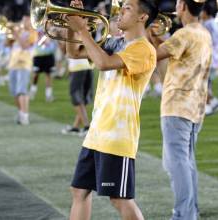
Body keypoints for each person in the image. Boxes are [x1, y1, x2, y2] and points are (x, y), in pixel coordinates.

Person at [65, 0, 158, 219]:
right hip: (97, 132)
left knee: (119, 199)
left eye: (127, 8)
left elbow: (104, 64)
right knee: (79, 191)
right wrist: (72, 23)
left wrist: (82, 30)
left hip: (118, 136)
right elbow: (73, 53)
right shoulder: (114, 42)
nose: (120, 11)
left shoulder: (144, 49)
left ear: (142, 17)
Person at [149, 0, 212, 219]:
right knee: (187, 163)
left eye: (178, 3)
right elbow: (168, 50)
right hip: (195, 107)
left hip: (177, 106)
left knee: (177, 165)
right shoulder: (202, 33)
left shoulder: (184, 35)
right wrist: (155, 35)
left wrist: (146, 27)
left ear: (183, 7)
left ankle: (184, 214)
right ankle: (190, 211)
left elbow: (153, 55)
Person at [8, 16, 36, 125]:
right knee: (14, 91)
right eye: (23, 20)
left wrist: (16, 35)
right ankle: (20, 113)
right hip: (13, 64)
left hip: (24, 64)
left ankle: (25, 115)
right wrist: (10, 34)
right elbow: (7, 44)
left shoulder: (33, 33)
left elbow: (25, 46)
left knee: (22, 90)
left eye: (26, 21)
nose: (24, 22)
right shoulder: (19, 31)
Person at [61, 57, 93, 136]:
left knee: (76, 97)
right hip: (89, 66)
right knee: (83, 98)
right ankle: (76, 127)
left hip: (77, 67)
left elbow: (69, 50)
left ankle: (87, 127)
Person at [200, 0, 218, 115]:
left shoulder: (207, 25)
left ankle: (207, 105)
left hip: (209, 59)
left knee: (203, 83)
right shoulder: (213, 23)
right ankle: (213, 102)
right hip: (213, 59)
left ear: (206, 12)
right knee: (207, 83)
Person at [29, 30, 56, 102]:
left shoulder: (50, 28)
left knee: (48, 75)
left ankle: (48, 94)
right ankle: (32, 91)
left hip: (48, 54)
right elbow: (34, 41)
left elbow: (52, 39)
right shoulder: (36, 29)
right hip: (38, 55)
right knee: (35, 75)